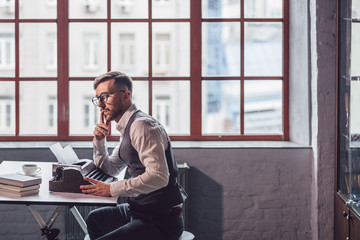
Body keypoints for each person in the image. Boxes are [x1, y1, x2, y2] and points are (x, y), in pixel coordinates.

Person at [80, 71, 187, 240]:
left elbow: (159, 177)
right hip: (139, 210)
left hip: (161, 220)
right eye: (98, 98)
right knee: (94, 219)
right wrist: (99, 141)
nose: (100, 104)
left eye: (105, 96)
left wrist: (110, 189)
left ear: (126, 95)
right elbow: (110, 170)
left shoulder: (142, 125)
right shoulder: (127, 127)